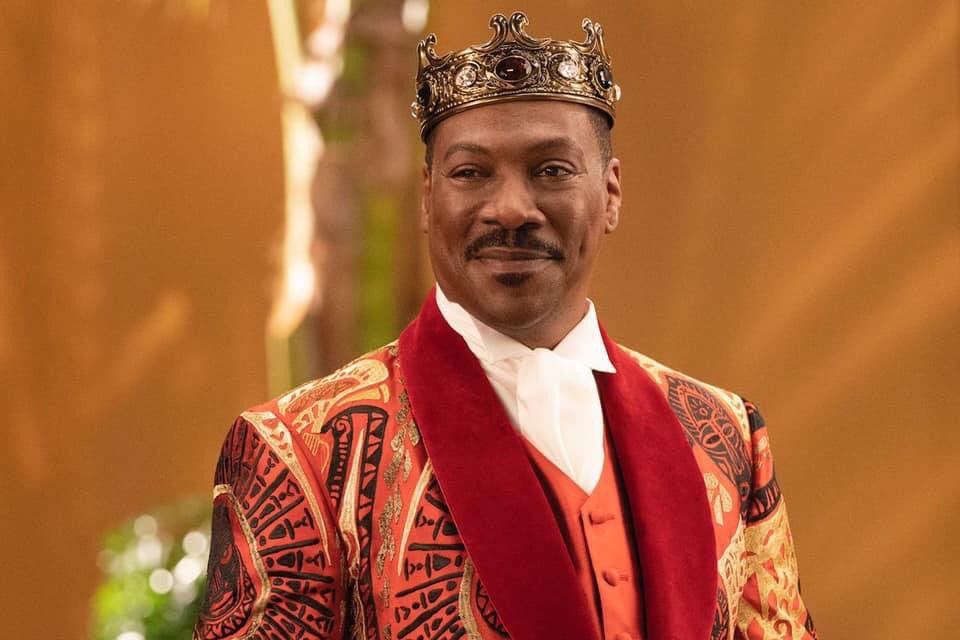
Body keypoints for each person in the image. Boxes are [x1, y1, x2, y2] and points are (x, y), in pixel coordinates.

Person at [193, 12, 817, 640]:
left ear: (611, 193)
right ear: (427, 197)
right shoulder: (300, 450)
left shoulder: (724, 433)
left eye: (552, 170)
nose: (512, 209)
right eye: (471, 173)